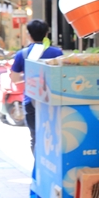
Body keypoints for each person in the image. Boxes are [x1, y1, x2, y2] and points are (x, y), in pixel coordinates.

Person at [10, 20, 63, 151]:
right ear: (46, 34)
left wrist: (29, 76)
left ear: (29, 35)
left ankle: (38, 167)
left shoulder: (22, 54)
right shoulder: (57, 53)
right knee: (55, 135)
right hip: (53, 100)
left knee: (35, 137)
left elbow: (15, 79)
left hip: (31, 100)